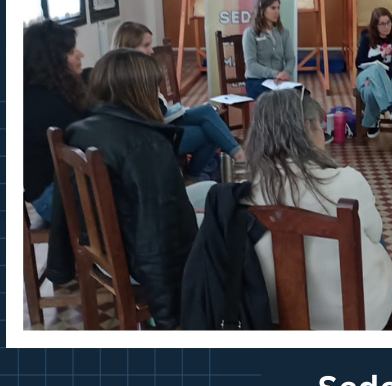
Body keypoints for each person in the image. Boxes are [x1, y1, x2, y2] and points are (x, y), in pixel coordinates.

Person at [46, 49, 198, 329]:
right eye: (155, 88)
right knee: (226, 221)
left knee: (208, 191)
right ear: (141, 92)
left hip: (100, 248)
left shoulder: (80, 129)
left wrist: (60, 265)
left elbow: (62, 206)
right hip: (137, 260)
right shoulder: (148, 146)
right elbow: (158, 238)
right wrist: (169, 317)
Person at [246, 89, 392, 329]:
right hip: (353, 319)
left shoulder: (246, 192)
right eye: (320, 126)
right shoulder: (348, 181)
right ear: (307, 127)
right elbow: (374, 233)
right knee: (376, 240)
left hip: (276, 317)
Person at [111, 20, 243, 179]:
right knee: (211, 131)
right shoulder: (127, 78)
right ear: (129, 47)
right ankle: (194, 175)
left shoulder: (134, 70)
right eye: (146, 45)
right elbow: (153, 114)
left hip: (163, 121)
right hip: (153, 135)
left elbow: (159, 109)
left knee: (207, 112)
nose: (152, 50)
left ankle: (236, 157)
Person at [23, 19, 88, 225]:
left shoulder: (49, 90)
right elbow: (85, 141)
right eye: (71, 52)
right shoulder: (43, 102)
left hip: (58, 186)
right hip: (52, 197)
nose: (80, 55)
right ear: (53, 61)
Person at [355, 7, 392, 138]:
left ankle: (371, 122)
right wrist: (380, 58)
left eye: (389, 22)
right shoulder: (366, 37)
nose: (386, 27)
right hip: (366, 77)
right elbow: (359, 62)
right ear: (375, 26)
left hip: (391, 78)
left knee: (370, 91)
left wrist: (380, 77)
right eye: (382, 24)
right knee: (376, 68)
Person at [242, 0, 297, 100]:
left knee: (301, 93)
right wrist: (275, 74)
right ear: (262, 9)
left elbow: (290, 58)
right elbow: (251, 65)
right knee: (277, 97)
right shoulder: (250, 33)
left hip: (278, 80)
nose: (277, 11)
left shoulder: (284, 32)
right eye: (273, 8)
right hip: (256, 81)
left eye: (278, 8)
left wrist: (286, 72)